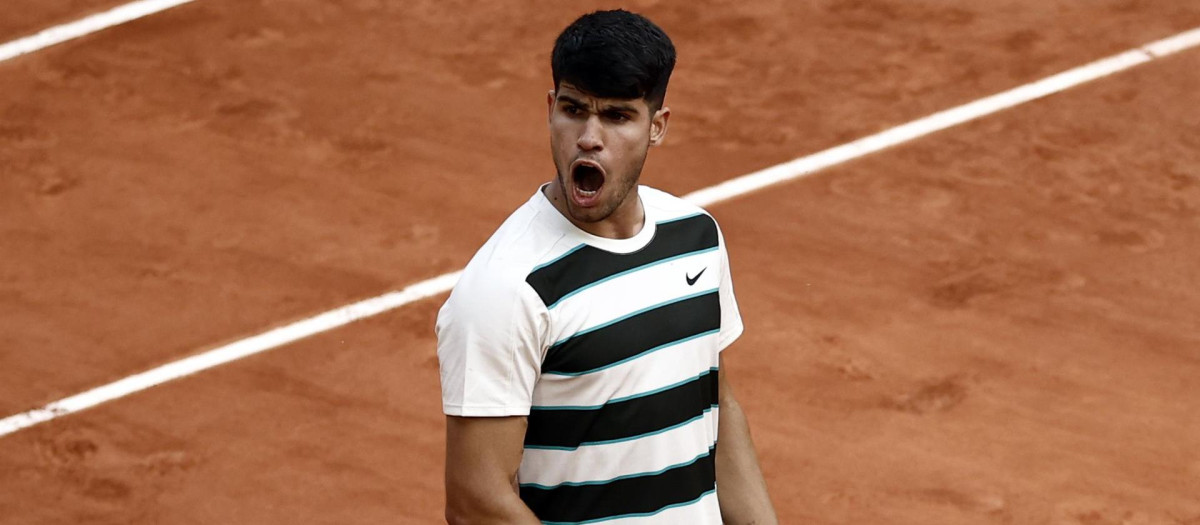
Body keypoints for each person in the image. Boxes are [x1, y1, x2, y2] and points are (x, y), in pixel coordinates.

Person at [436, 9, 777, 524]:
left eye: (617, 116)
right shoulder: (509, 290)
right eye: (574, 109)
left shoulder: (695, 238)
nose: (589, 137)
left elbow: (718, 408)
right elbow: (475, 502)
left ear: (656, 127)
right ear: (551, 108)